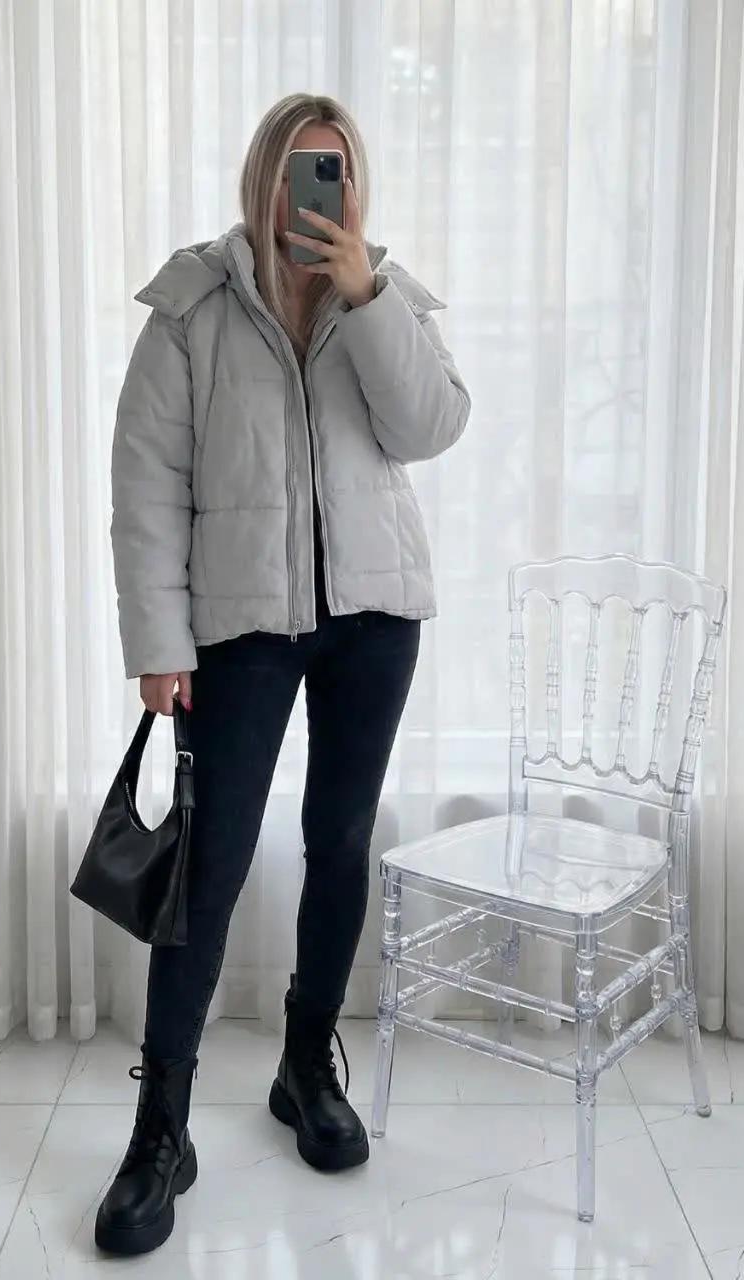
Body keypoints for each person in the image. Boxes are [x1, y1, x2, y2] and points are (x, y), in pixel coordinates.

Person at [97, 92, 470, 1255]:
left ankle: (304, 1066)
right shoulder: (194, 307)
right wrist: (158, 642)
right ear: (261, 176)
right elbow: (144, 479)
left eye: (334, 170)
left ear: (353, 187)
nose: (315, 190)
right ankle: (160, 1125)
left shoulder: (385, 297)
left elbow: (430, 427)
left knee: (338, 843)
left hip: (373, 618)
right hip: (240, 626)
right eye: (298, 168)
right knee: (205, 869)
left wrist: (366, 296)